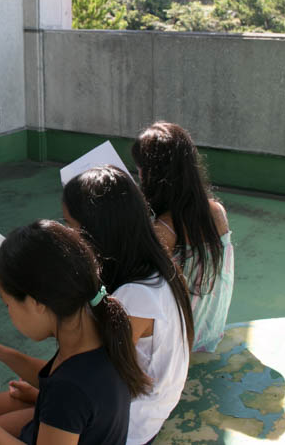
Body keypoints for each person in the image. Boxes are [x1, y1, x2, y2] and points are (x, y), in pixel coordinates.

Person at [0, 220, 149, 445]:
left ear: (37, 303)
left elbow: (66, 391)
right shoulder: (95, 326)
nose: (9, 312)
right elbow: (59, 378)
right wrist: (2, 353)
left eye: (8, 304)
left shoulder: (69, 389)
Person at [61, 165, 194, 445]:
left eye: (70, 226)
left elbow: (84, 371)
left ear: (98, 232)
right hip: (134, 408)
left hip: (129, 426)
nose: (67, 236)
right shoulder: (156, 266)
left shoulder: (133, 297)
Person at [130, 121, 234, 353]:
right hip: (209, 331)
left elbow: (137, 284)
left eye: (140, 167)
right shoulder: (216, 211)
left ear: (153, 173)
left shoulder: (165, 228)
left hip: (181, 344)